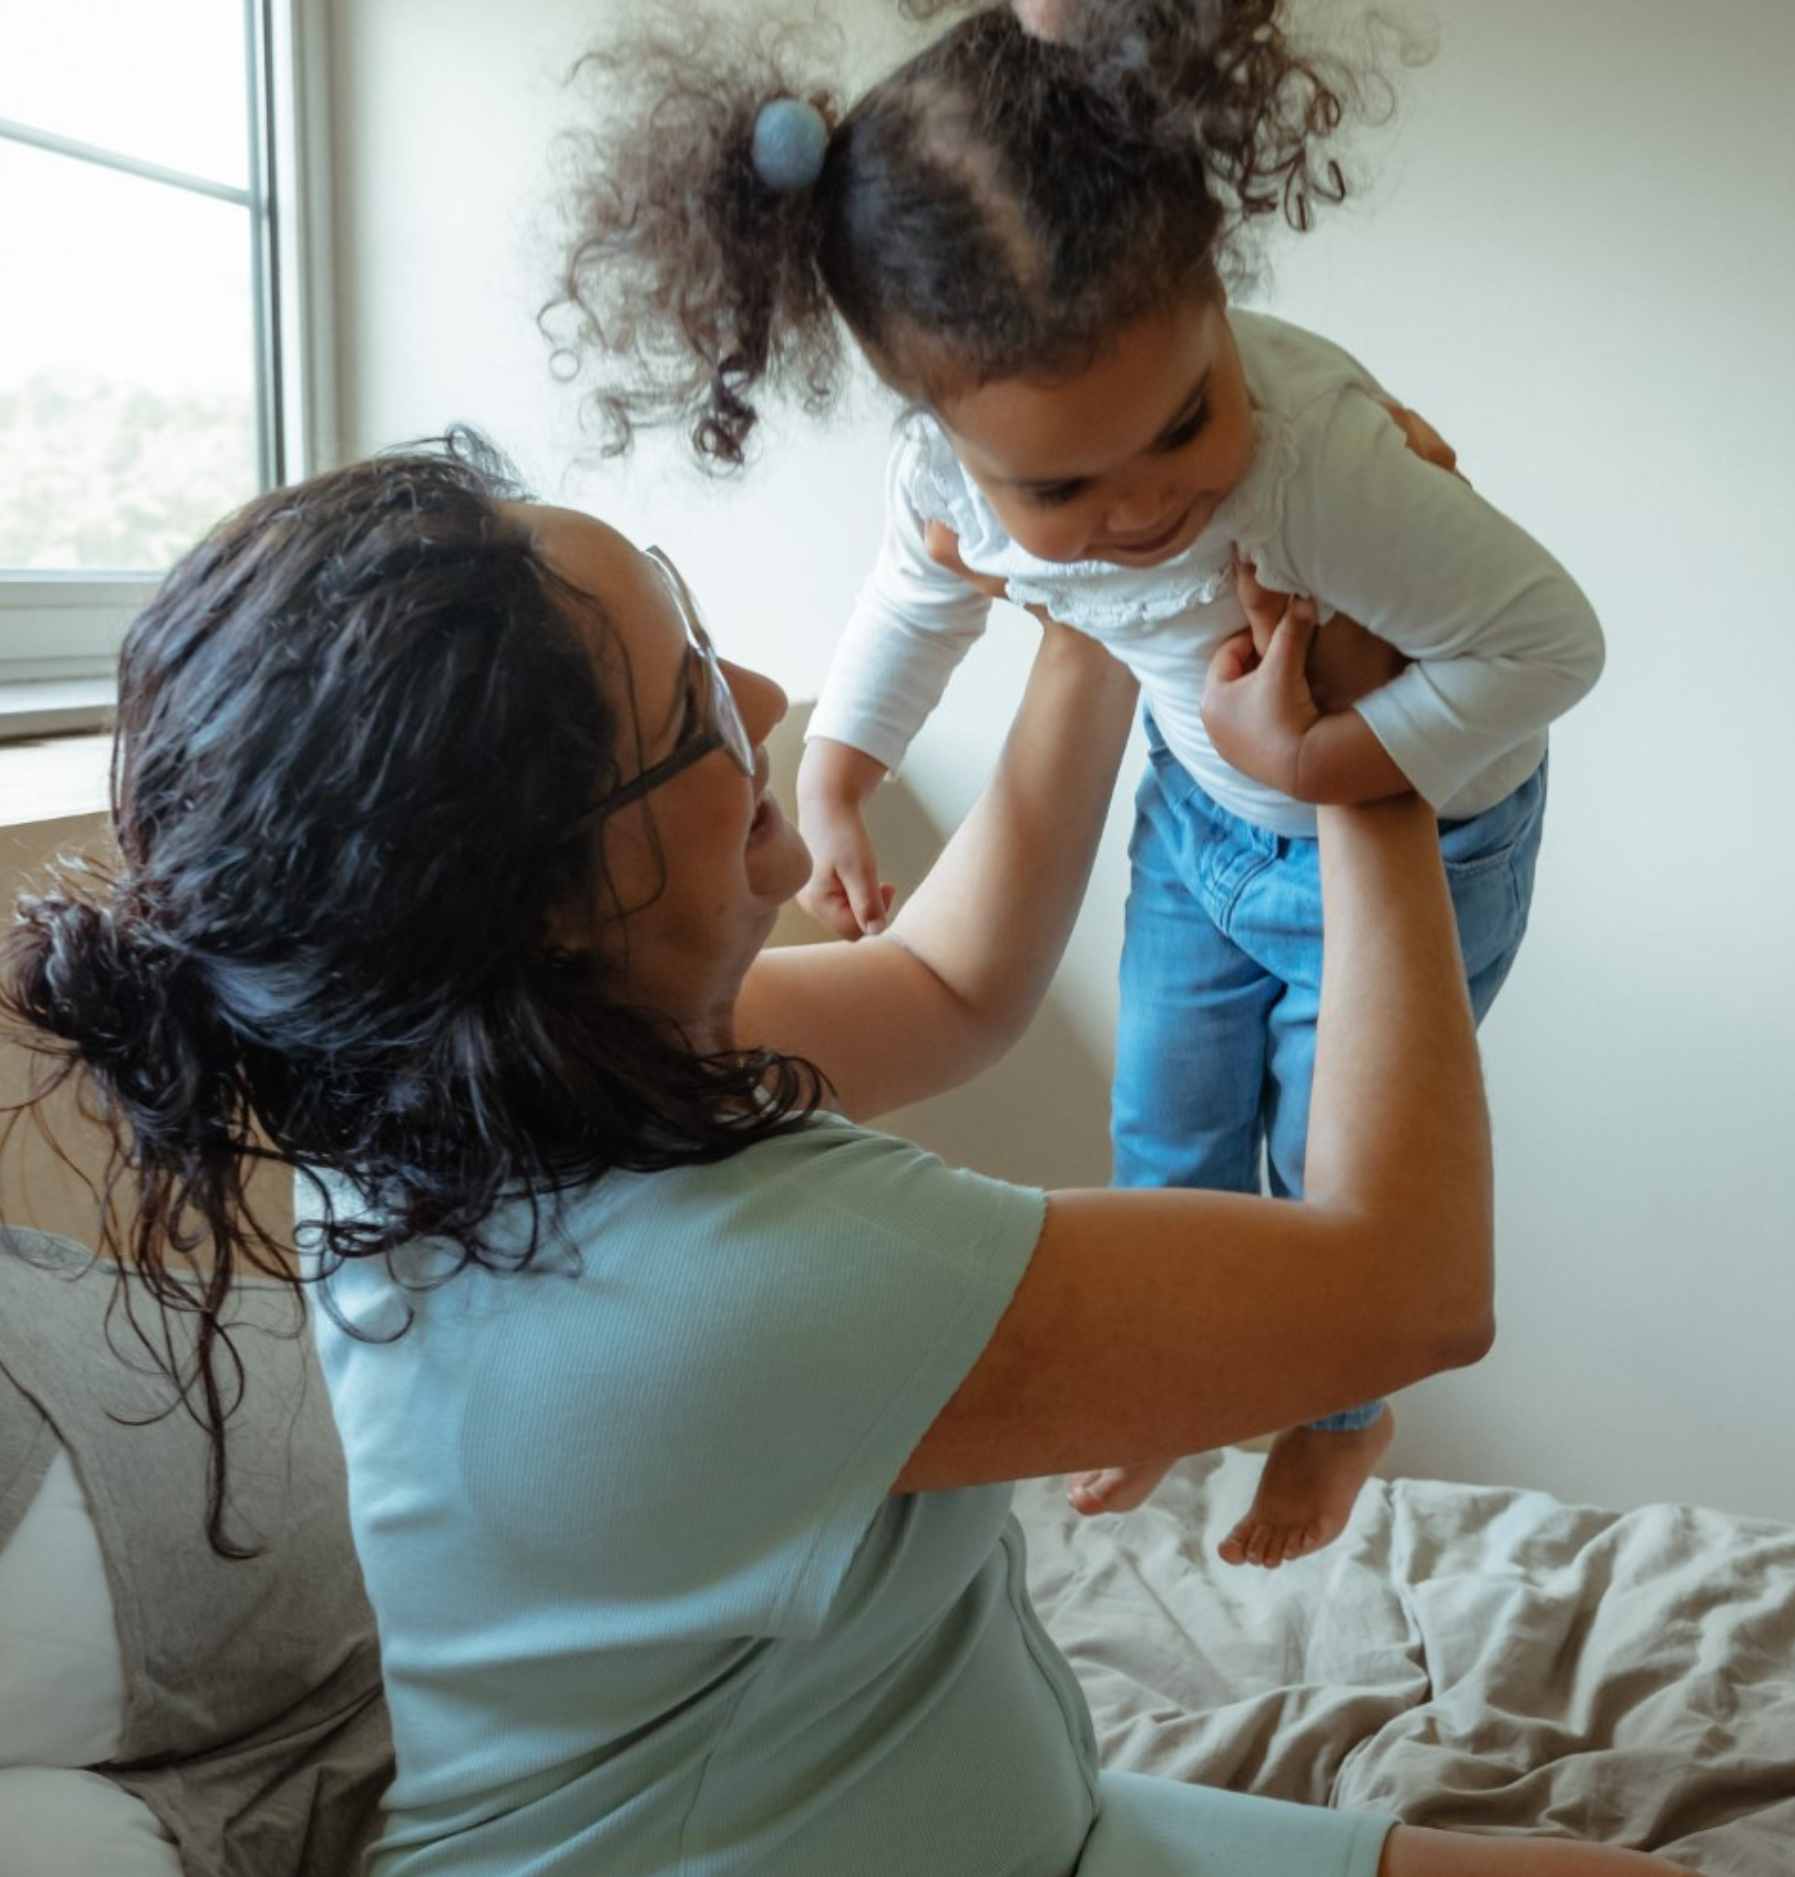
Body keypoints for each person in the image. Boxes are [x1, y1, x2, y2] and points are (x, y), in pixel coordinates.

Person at [0, 437, 1795, 1877]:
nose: (770, 703)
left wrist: (1090, 595)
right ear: (553, 902)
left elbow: (960, 980)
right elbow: (1404, 1285)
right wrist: (1372, 787)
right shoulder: (724, 1288)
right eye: (691, 697)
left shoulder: (468, 1093)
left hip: (926, 1850)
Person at [544, 0, 1605, 1568]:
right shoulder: (948, 485)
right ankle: (1180, 1386)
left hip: (1409, 830)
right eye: (1061, 485)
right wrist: (840, 771)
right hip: (1200, 819)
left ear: (1215, 305)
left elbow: (1546, 648)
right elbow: (917, 603)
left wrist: (1326, 761)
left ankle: (1336, 1421)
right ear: (945, 433)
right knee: (1163, 1123)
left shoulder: (1326, 462)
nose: (1149, 507)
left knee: (1330, 1165)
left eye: (1186, 422)